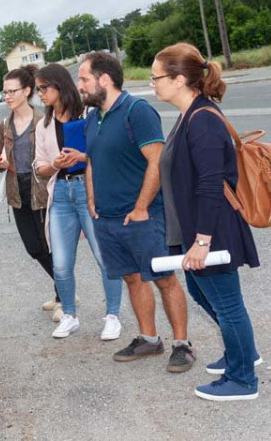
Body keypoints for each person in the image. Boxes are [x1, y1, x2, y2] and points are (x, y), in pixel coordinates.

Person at [154, 42, 261, 400]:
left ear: (180, 79)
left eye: (156, 78)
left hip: (212, 230)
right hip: (195, 229)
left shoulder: (201, 121)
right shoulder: (188, 116)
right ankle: (241, 353)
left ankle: (243, 378)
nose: (152, 84)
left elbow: (211, 185)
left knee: (228, 304)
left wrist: (202, 241)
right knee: (203, 293)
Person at [79, 51, 195, 373]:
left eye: (84, 78)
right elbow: (91, 159)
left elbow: (156, 162)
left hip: (142, 217)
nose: (80, 86)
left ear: (105, 79)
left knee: (163, 279)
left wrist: (142, 207)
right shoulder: (93, 117)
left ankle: (182, 344)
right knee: (132, 277)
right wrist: (91, 199)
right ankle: (149, 338)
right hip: (107, 218)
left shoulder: (136, 111)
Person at [33, 63, 123, 339]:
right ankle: (69, 315)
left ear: (59, 85)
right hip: (60, 192)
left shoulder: (90, 114)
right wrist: (56, 164)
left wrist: (82, 158)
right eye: (37, 91)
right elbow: (39, 168)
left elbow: (106, 151)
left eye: (43, 89)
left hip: (89, 189)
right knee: (60, 263)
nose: (41, 95)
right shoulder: (43, 124)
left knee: (104, 257)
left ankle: (113, 316)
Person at [0, 65, 58, 318]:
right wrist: (0, 164)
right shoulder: (3, 126)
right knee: (33, 247)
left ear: (27, 91)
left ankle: (64, 296)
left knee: (49, 245)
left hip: (41, 188)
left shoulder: (44, 120)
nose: (7, 96)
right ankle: (63, 288)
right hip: (16, 189)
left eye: (12, 91)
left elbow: (53, 158)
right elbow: (0, 160)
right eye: (4, 92)